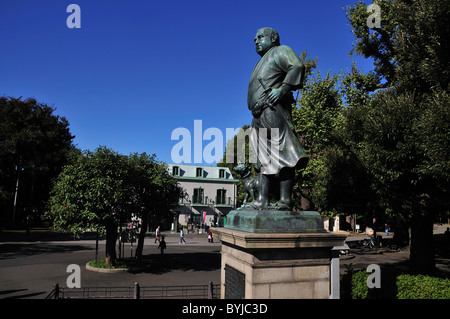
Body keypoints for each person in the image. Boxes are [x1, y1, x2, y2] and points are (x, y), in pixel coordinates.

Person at [247, 27, 308, 210]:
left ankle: (285, 200)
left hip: (273, 111)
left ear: (273, 38)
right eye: (254, 39)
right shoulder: (262, 60)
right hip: (258, 115)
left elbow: (297, 65)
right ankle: (262, 200)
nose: (256, 41)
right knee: (263, 159)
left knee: (283, 154)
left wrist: (282, 89)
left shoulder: (280, 51)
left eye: (260, 37)